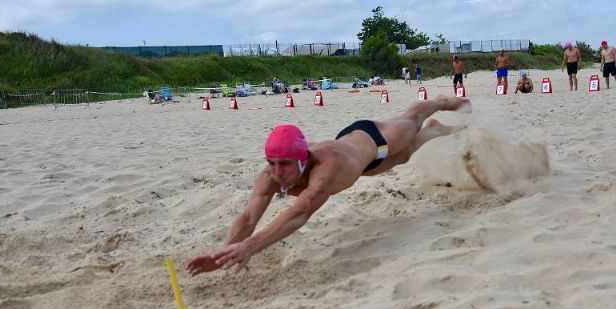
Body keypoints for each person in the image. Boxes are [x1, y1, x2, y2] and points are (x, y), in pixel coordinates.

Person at [185, 95, 471, 276]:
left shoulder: (325, 170)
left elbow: (299, 213)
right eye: (271, 162)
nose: (277, 171)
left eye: (284, 164)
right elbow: (248, 217)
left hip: (374, 139)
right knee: (407, 156)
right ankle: (436, 131)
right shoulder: (269, 175)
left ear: (301, 159)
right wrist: (221, 254)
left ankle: (441, 102)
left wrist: (250, 247)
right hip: (360, 166)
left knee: (412, 119)